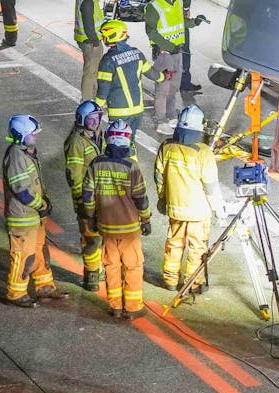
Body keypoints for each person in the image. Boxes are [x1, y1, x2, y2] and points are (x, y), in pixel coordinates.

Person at [81, 119, 151, 318]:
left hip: (107, 227)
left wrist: (90, 217)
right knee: (133, 266)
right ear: (128, 140)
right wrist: (146, 220)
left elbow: (87, 195)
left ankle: (116, 307)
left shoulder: (96, 163)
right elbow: (141, 199)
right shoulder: (132, 166)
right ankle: (133, 307)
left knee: (111, 266)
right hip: (129, 229)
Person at [153, 106, 223, 292]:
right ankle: (193, 284)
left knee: (174, 244)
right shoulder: (204, 152)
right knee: (197, 249)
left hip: (175, 208)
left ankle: (170, 281)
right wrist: (218, 209)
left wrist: (162, 199)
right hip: (199, 213)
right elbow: (211, 186)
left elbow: (159, 177)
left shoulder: (166, 147)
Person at [2, 114, 64, 306]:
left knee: (39, 250)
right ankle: (16, 293)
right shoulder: (16, 156)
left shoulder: (25, 153)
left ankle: (44, 285)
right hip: (23, 217)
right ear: (21, 135)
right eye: (32, 134)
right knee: (23, 255)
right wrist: (42, 205)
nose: (36, 137)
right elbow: (22, 190)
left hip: (33, 216)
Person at [65, 101, 106, 291]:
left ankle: (99, 270)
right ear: (82, 119)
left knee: (103, 235)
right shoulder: (76, 142)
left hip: (101, 197)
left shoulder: (96, 136)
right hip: (86, 199)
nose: (95, 122)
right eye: (91, 118)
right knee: (91, 238)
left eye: (97, 118)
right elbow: (74, 175)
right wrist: (82, 201)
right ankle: (91, 276)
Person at [143, 0, 187, 130]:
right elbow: (151, 31)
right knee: (163, 88)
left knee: (174, 87)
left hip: (177, 52)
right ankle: (160, 120)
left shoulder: (179, 1)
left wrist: (194, 22)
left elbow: (181, 23)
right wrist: (167, 46)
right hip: (164, 54)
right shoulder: (154, 5)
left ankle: (171, 115)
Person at [95, 20, 151, 139]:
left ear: (111, 36)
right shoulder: (137, 53)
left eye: (104, 36)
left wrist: (96, 108)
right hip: (137, 110)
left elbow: (103, 88)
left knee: (116, 144)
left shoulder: (108, 60)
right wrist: (164, 76)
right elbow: (151, 73)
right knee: (131, 142)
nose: (103, 39)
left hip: (119, 112)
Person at [73, 0, 106, 100]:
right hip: (90, 41)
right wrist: (96, 42)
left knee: (93, 71)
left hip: (86, 40)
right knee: (90, 72)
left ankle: (92, 97)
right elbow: (88, 24)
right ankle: (86, 100)